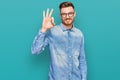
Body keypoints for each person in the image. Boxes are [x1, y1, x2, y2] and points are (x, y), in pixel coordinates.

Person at [31, 1, 87, 80]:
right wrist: (43, 29)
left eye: (70, 13)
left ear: (74, 14)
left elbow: (82, 60)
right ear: (60, 16)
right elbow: (35, 50)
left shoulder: (79, 34)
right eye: (64, 14)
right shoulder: (52, 31)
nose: (67, 16)